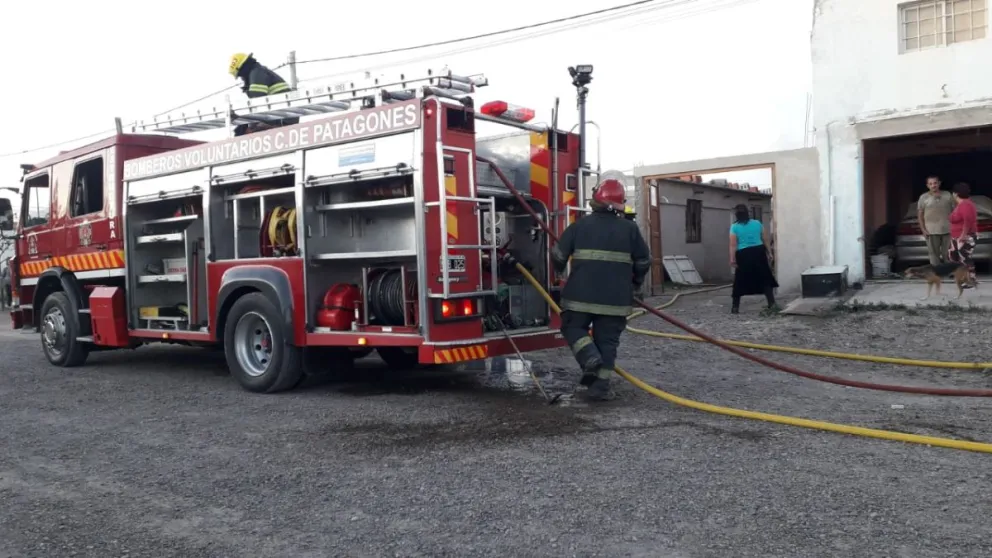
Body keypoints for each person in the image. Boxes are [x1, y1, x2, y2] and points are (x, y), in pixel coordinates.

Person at [551, 178, 651, 401]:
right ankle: (599, 389)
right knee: (607, 342)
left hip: (579, 297)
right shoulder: (630, 229)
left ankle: (589, 356)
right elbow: (644, 262)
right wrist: (636, 284)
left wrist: (558, 273)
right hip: (616, 300)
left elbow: (557, 255)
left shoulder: (579, 225)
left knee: (572, 327)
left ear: (596, 199)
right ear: (619, 204)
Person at [228, 53, 299, 136]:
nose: (242, 79)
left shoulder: (257, 74)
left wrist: (239, 118)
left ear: (243, 69)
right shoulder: (257, 72)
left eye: (240, 76)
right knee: (242, 128)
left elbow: (257, 103)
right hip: (283, 116)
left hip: (283, 118)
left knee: (242, 130)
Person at [729, 204, 779, 314]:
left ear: (736, 214)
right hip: (759, 252)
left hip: (743, 254)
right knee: (764, 277)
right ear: (748, 213)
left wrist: (732, 259)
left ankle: (735, 307)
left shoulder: (734, 227)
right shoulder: (757, 223)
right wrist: (769, 253)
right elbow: (765, 239)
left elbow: (733, 244)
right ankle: (772, 303)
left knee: (739, 280)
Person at [917, 175, 954, 266]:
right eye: (930, 184)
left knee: (949, 254)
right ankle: (937, 274)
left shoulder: (947, 195)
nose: (933, 185)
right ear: (927, 185)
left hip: (948, 229)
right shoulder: (923, 197)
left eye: (935, 183)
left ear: (939, 183)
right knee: (934, 255)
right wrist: (923, 229)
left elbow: (955, 212)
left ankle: (949, 272)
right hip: (931, 230)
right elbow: (920, 215)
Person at [948, 181, 978, 287]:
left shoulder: (966, 204)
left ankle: (971, 279)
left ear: (955, 193)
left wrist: (963, 235)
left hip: (965, 236)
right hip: (956, 236)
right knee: (954, 256)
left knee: (965, 257)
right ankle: (962, 278)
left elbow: (968, 221)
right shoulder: (959, 205)